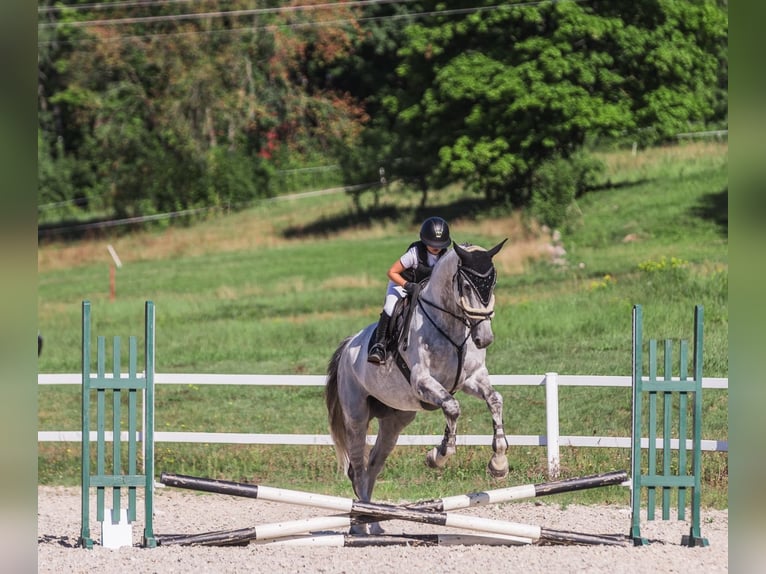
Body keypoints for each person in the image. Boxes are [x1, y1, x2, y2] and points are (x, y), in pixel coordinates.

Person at [367, 216, 451, 364]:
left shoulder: (445, 256)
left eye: (439, 243)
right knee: (390, 307)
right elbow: (392, 272)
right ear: (425, 240)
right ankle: (379, 346)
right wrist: (407, 285)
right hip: (401, 284)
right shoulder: (414, 253)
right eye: (432, 243)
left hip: (425, 290)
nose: (436, 246)